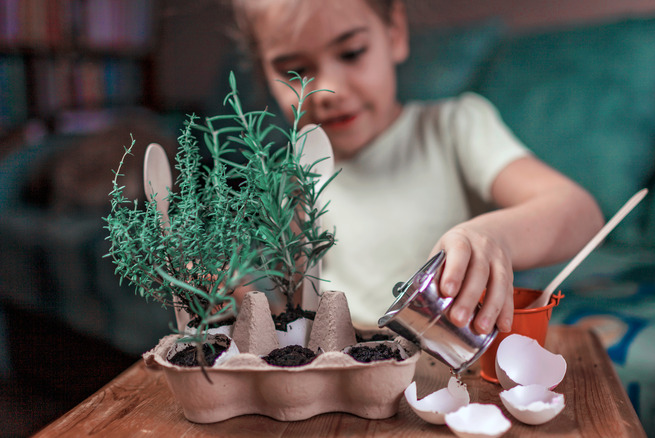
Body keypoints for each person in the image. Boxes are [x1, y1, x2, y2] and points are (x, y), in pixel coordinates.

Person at [231, 0, 605, 334]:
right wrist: (245, 301)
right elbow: (298, 305)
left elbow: (580, 213)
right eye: (295, 70)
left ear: (394, 31)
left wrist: (495, 236)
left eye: (351, 52)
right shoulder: (292, 175)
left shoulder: (454, 128)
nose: (329, 91)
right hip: (343, 372)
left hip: (444, 375)